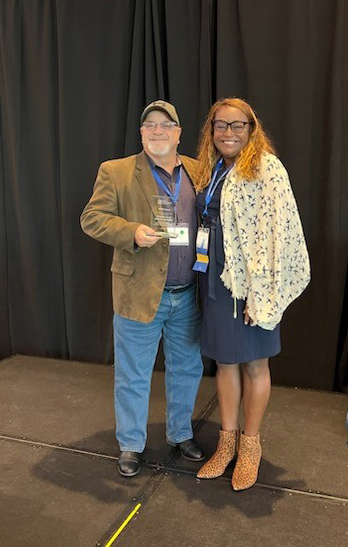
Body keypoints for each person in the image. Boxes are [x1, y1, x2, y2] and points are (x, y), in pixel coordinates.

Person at [81, 100, 204, 477]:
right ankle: (131, 445)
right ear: (141, 133)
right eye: (150, 125)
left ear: (179, 133)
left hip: (188, 295)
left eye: (166, 125)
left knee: (187, 370)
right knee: (133, 374)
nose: (157, 131)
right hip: (138, 293)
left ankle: (180, 434)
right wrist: (130, 232)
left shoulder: (201, 170)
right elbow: (92, 218)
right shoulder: (116, 171)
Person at [194, 97, 310, 490]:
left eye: (237, 125)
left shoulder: (266, 168)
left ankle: (250, 447)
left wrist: (260, 294)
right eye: (221, 125)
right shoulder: (211, 170)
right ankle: (226, 445)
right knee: (225, 363)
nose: (228, 133)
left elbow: (279, 234)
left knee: (255, 364)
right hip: (216, 280)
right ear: (211, 130)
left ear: (251, 128)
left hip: (252, 286)